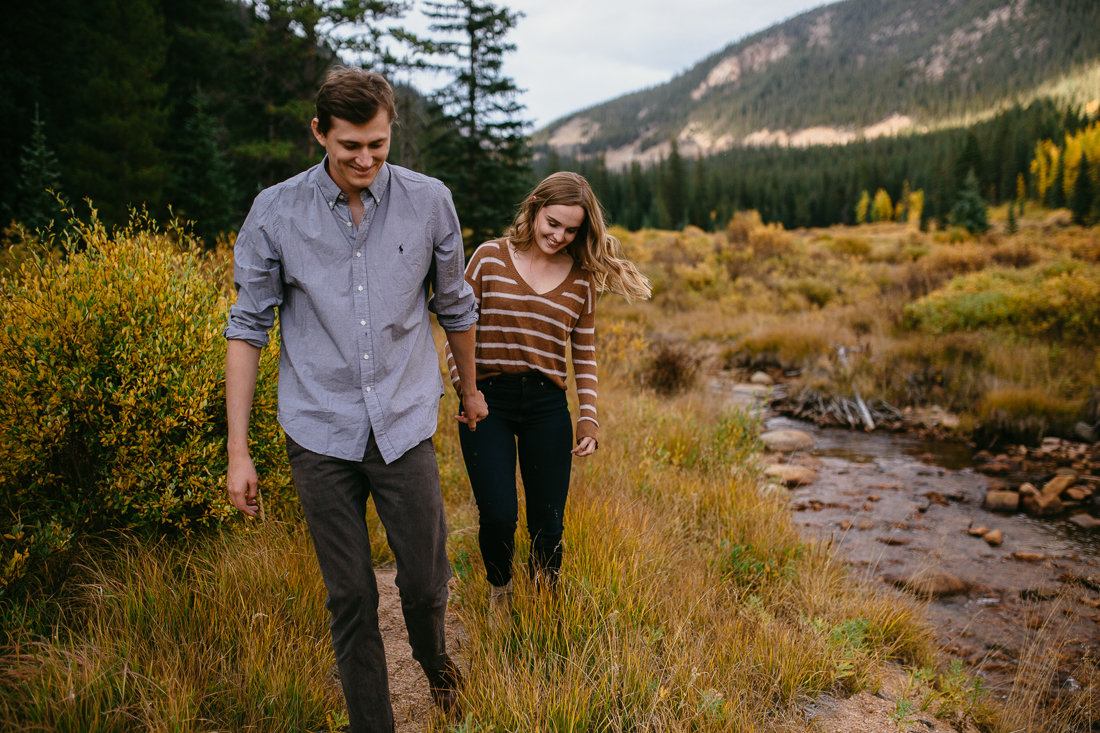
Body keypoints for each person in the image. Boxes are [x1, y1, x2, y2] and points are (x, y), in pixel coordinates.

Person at [223, 66, 487, 733]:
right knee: (351, 597)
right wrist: (238, 452)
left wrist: (471, 388)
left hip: (404, 423)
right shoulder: (275, 212)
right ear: (319, 133)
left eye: (377, 143)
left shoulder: (431, 202)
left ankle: (437, 667)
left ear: (390, 129)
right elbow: (247, 328)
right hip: (319, 433)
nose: (365, 159)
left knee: (426, 587)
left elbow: (455, 304)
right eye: (350, 147)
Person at [445, 172, 651, 608]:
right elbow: (458, 328)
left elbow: (586, 355)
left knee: (548, 524)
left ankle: (544, 608)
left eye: (571, 229)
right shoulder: (488, 258)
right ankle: (500, 594)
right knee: (499, 516)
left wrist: (589, 418)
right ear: (535, 207)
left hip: (546, 407)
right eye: (552, 222)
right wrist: (467, 390)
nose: (558, 236)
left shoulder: (580, 279)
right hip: (487, 403)